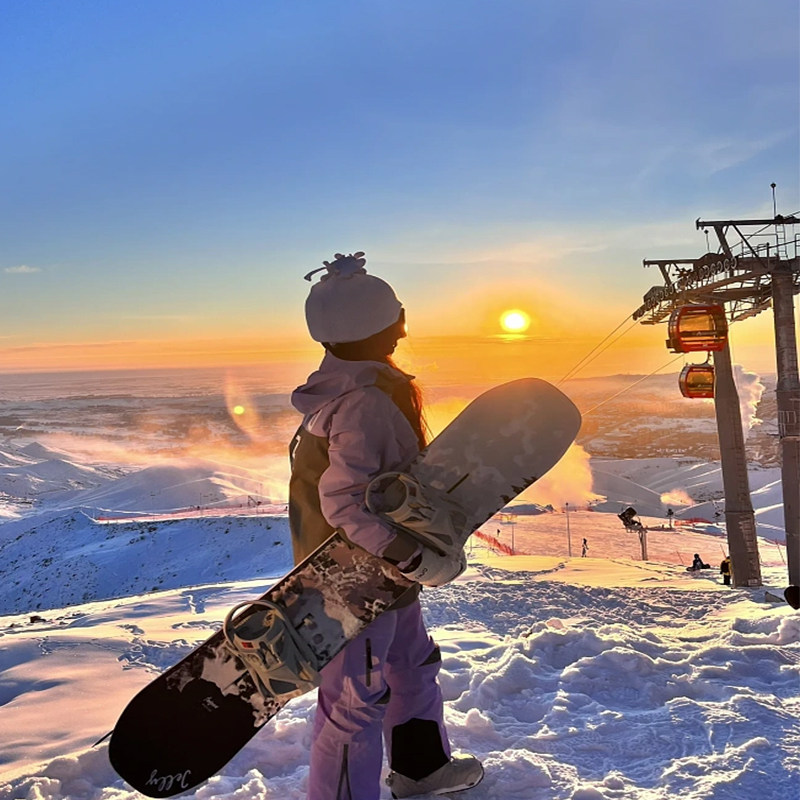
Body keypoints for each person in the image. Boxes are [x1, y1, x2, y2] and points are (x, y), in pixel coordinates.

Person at [289, 252, 483, 800]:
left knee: (414, 666)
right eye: (397, 314)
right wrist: (408, 552)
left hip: (380, 575)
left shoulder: (342, 393)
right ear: (385, 326)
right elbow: (346, 503)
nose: (403, 322)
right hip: (355, 580)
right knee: (353, 702)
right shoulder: (363, 404)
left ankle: (422, 771)